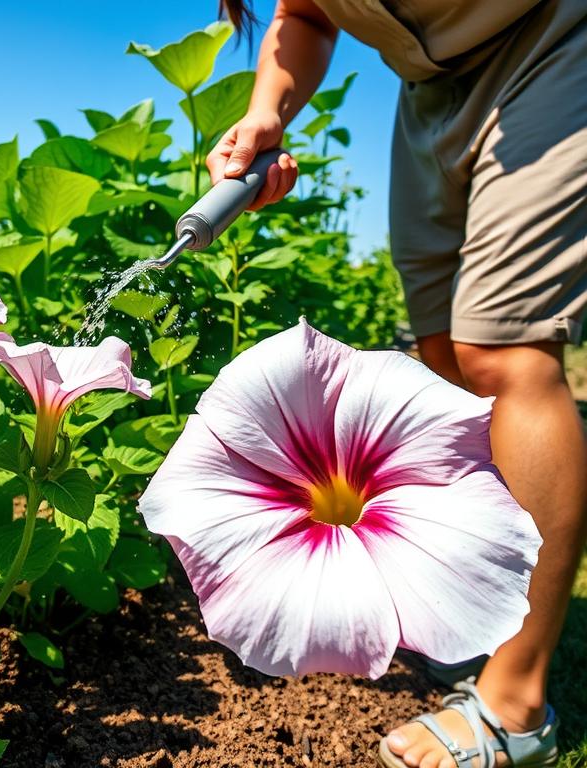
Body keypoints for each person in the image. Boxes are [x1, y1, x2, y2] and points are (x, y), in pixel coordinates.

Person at [208, 0, 587, 766]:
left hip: (553, 37)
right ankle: (480, 597)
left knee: (503, 352)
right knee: (444, 356)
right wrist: (264, 113)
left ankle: (516, 702)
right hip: (429, 91)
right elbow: (305, 14)